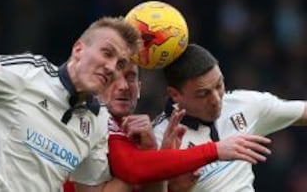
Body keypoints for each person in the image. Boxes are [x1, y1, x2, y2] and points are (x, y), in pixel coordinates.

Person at [0, 16, 143, 192]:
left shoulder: (98, 120)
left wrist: (149, 157)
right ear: (78, 50)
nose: (111, 68)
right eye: (107, 53)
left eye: (120, 65)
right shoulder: (27, 73)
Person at [65, 61, 272, 192]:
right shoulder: (88, 116)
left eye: (131, 77)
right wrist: (215, 150)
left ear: (139, 89)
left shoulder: (134, 133)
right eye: (113, 78)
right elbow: (134, 169)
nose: (123, 86)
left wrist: (161, 165)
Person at [153, 43, 307, 192]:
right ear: (175, 95)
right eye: (203, 94)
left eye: (219, 85)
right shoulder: (157, 139)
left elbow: (302, 112)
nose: (216, 100)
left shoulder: (244, 104)